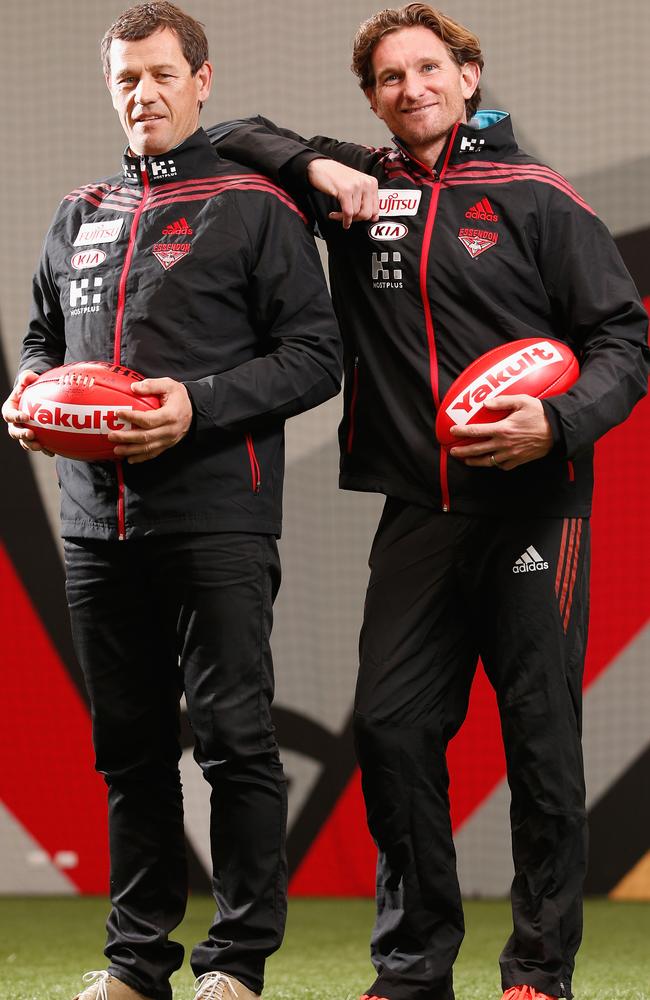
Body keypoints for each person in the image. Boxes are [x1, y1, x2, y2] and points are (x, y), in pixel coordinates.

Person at [209, 5, 650, 1000]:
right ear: (370, 96)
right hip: (416, 509)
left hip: (535, 506)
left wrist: (557, 423)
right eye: (388, 76)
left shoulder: (535, 197)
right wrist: (315, 166)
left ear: (467, 74)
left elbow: (624, 341)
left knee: (537, 739)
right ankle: (411, 967)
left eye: (428, 68)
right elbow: (225, 132)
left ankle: (536, 970)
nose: (412, 88)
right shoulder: (356, 190)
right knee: (392, 729)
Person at [1, 3, 341, 1000]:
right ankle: (134, 962)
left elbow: (317, 357)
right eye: (124, 80)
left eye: (159, 74)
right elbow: (37, 339)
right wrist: (29, 394)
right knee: (130, 753)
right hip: (92, 527)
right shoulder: (80, 211)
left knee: (235, 743)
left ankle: (235, 963)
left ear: (200, 80)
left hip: (217, 519)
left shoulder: (256, 207)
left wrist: (193, 405)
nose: (141, 94)